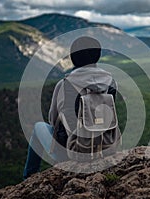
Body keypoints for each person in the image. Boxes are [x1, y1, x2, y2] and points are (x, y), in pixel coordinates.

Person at [23, 36, 117, 179]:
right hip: (105, 147)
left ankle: (28, 178)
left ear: (73, 58)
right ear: (97, 56)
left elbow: (53, 120)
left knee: (38, 127)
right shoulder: (111, 81)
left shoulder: (65, 84)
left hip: (73, 152)